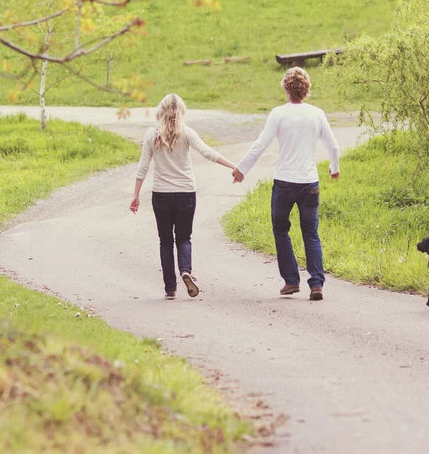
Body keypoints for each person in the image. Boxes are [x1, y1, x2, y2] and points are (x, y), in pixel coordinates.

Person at [233, 67, 340, 301]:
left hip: (284, 183)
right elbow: (333, 146)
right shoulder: (317, 114)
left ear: (286, 88)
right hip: (309, 182)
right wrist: (335, 167)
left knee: (281, 230)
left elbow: (260, 145)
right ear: (307, 89)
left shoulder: (278, 114)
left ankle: (291, 280)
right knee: (310, 232)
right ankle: (317, 284)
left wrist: (241, 169)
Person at [131, 93, 241, 299]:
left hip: (161, 195)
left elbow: (143, 167)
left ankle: (170, 289)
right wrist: (234, 166)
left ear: (160, 111)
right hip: (186, 194)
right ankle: (186, 271)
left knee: (165, 241)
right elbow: (207, 152)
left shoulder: (151, 134)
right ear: (181, 112)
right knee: (184, 238)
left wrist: (136, 195)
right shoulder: (187, 133)